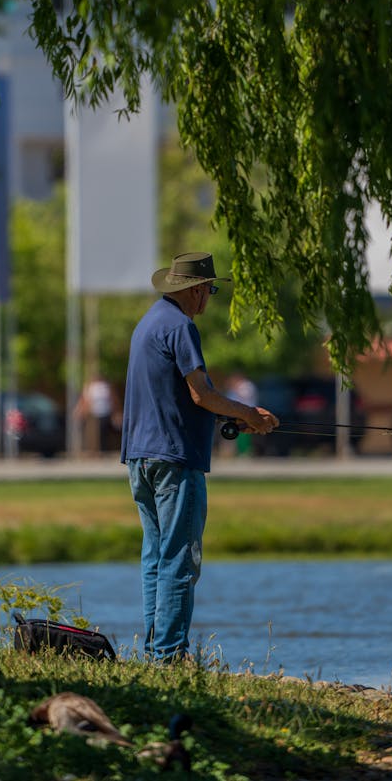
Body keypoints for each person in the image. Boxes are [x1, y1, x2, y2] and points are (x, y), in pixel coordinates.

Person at [121, 251, 279, 662]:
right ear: (194, 290)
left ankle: (157, 652)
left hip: (141, 458)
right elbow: (201, 394)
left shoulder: (149, 322)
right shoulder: (181, 326)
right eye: (208, 289)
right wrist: (250, 414)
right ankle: (170, 655)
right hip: (175, 460)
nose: (209, 297)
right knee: (180, 558)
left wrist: (235, 419)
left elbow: (177, 401)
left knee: (155, 557)